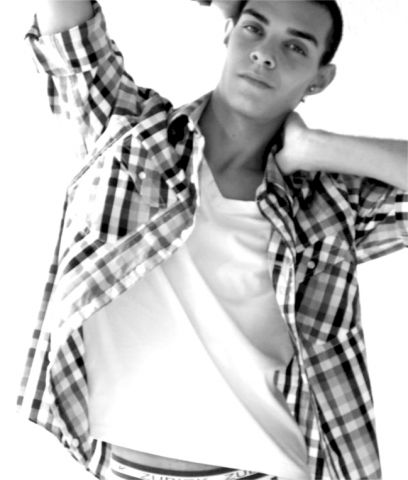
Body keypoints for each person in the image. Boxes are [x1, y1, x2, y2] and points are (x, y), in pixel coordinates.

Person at [17, 1, 407, 480]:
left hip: (267, 467)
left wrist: (317, 147)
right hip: (126, 465)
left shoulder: (327, 203)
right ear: (228, 34)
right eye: (254, 28)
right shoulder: (132, 133)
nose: (264, 53)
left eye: (295, 46)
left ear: (319, 79)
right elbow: (67, 30)